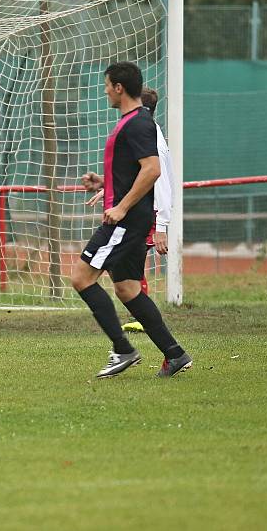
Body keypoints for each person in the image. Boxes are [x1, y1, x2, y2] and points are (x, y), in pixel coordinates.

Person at [72, 62, 191, 378]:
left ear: (119, 88)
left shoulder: (137, 123)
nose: (106, 90)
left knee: (82, 278)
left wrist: (122, 207)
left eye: (108, 85)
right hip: (132, 220)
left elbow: (152, 169)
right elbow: (135, 170)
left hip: (125, 222)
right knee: (127, 289)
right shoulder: (133, 122)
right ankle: (174, 354)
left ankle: (123, 349)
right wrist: (103, 181)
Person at [86, 86, 173, 333]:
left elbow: (160, 178)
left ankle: (130, 338)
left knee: (97, 274)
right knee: (124, 276)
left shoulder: (147, 133)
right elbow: (139, 175)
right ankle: (168, 349)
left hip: (147, 214)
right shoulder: (143, 131)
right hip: (142, 212)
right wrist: (107, 186)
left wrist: (162, 225)